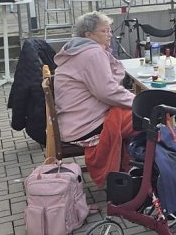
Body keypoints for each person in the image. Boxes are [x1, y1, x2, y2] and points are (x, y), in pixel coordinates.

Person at [53, 12, 136, 187]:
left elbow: (109, 83)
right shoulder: (92, 53)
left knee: (137, 114)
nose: (109, 35)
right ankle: (133, 172)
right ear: (88, 34)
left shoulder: (76, 50)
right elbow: (108, 91)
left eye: (110, 30)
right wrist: (138, 102)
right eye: (104, 31)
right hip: (84, 125)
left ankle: (128, 168)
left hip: (71, 121)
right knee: (150, 117)